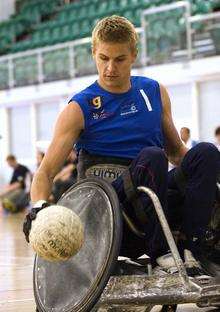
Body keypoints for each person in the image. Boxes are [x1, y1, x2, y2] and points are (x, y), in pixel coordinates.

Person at [23, 16, 220, 276]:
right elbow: (46, 172)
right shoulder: (79, 108)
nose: (110, 68)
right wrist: (37, 207)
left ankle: (195, 248)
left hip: (156, 194)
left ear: (134, 55)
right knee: (152, 156)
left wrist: (210, 180)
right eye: (103, 58)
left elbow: (176, 153)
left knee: (206, 152)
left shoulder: (152, 92)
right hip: (112, 212)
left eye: (119, 59)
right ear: (93, 53)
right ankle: (161, 252)